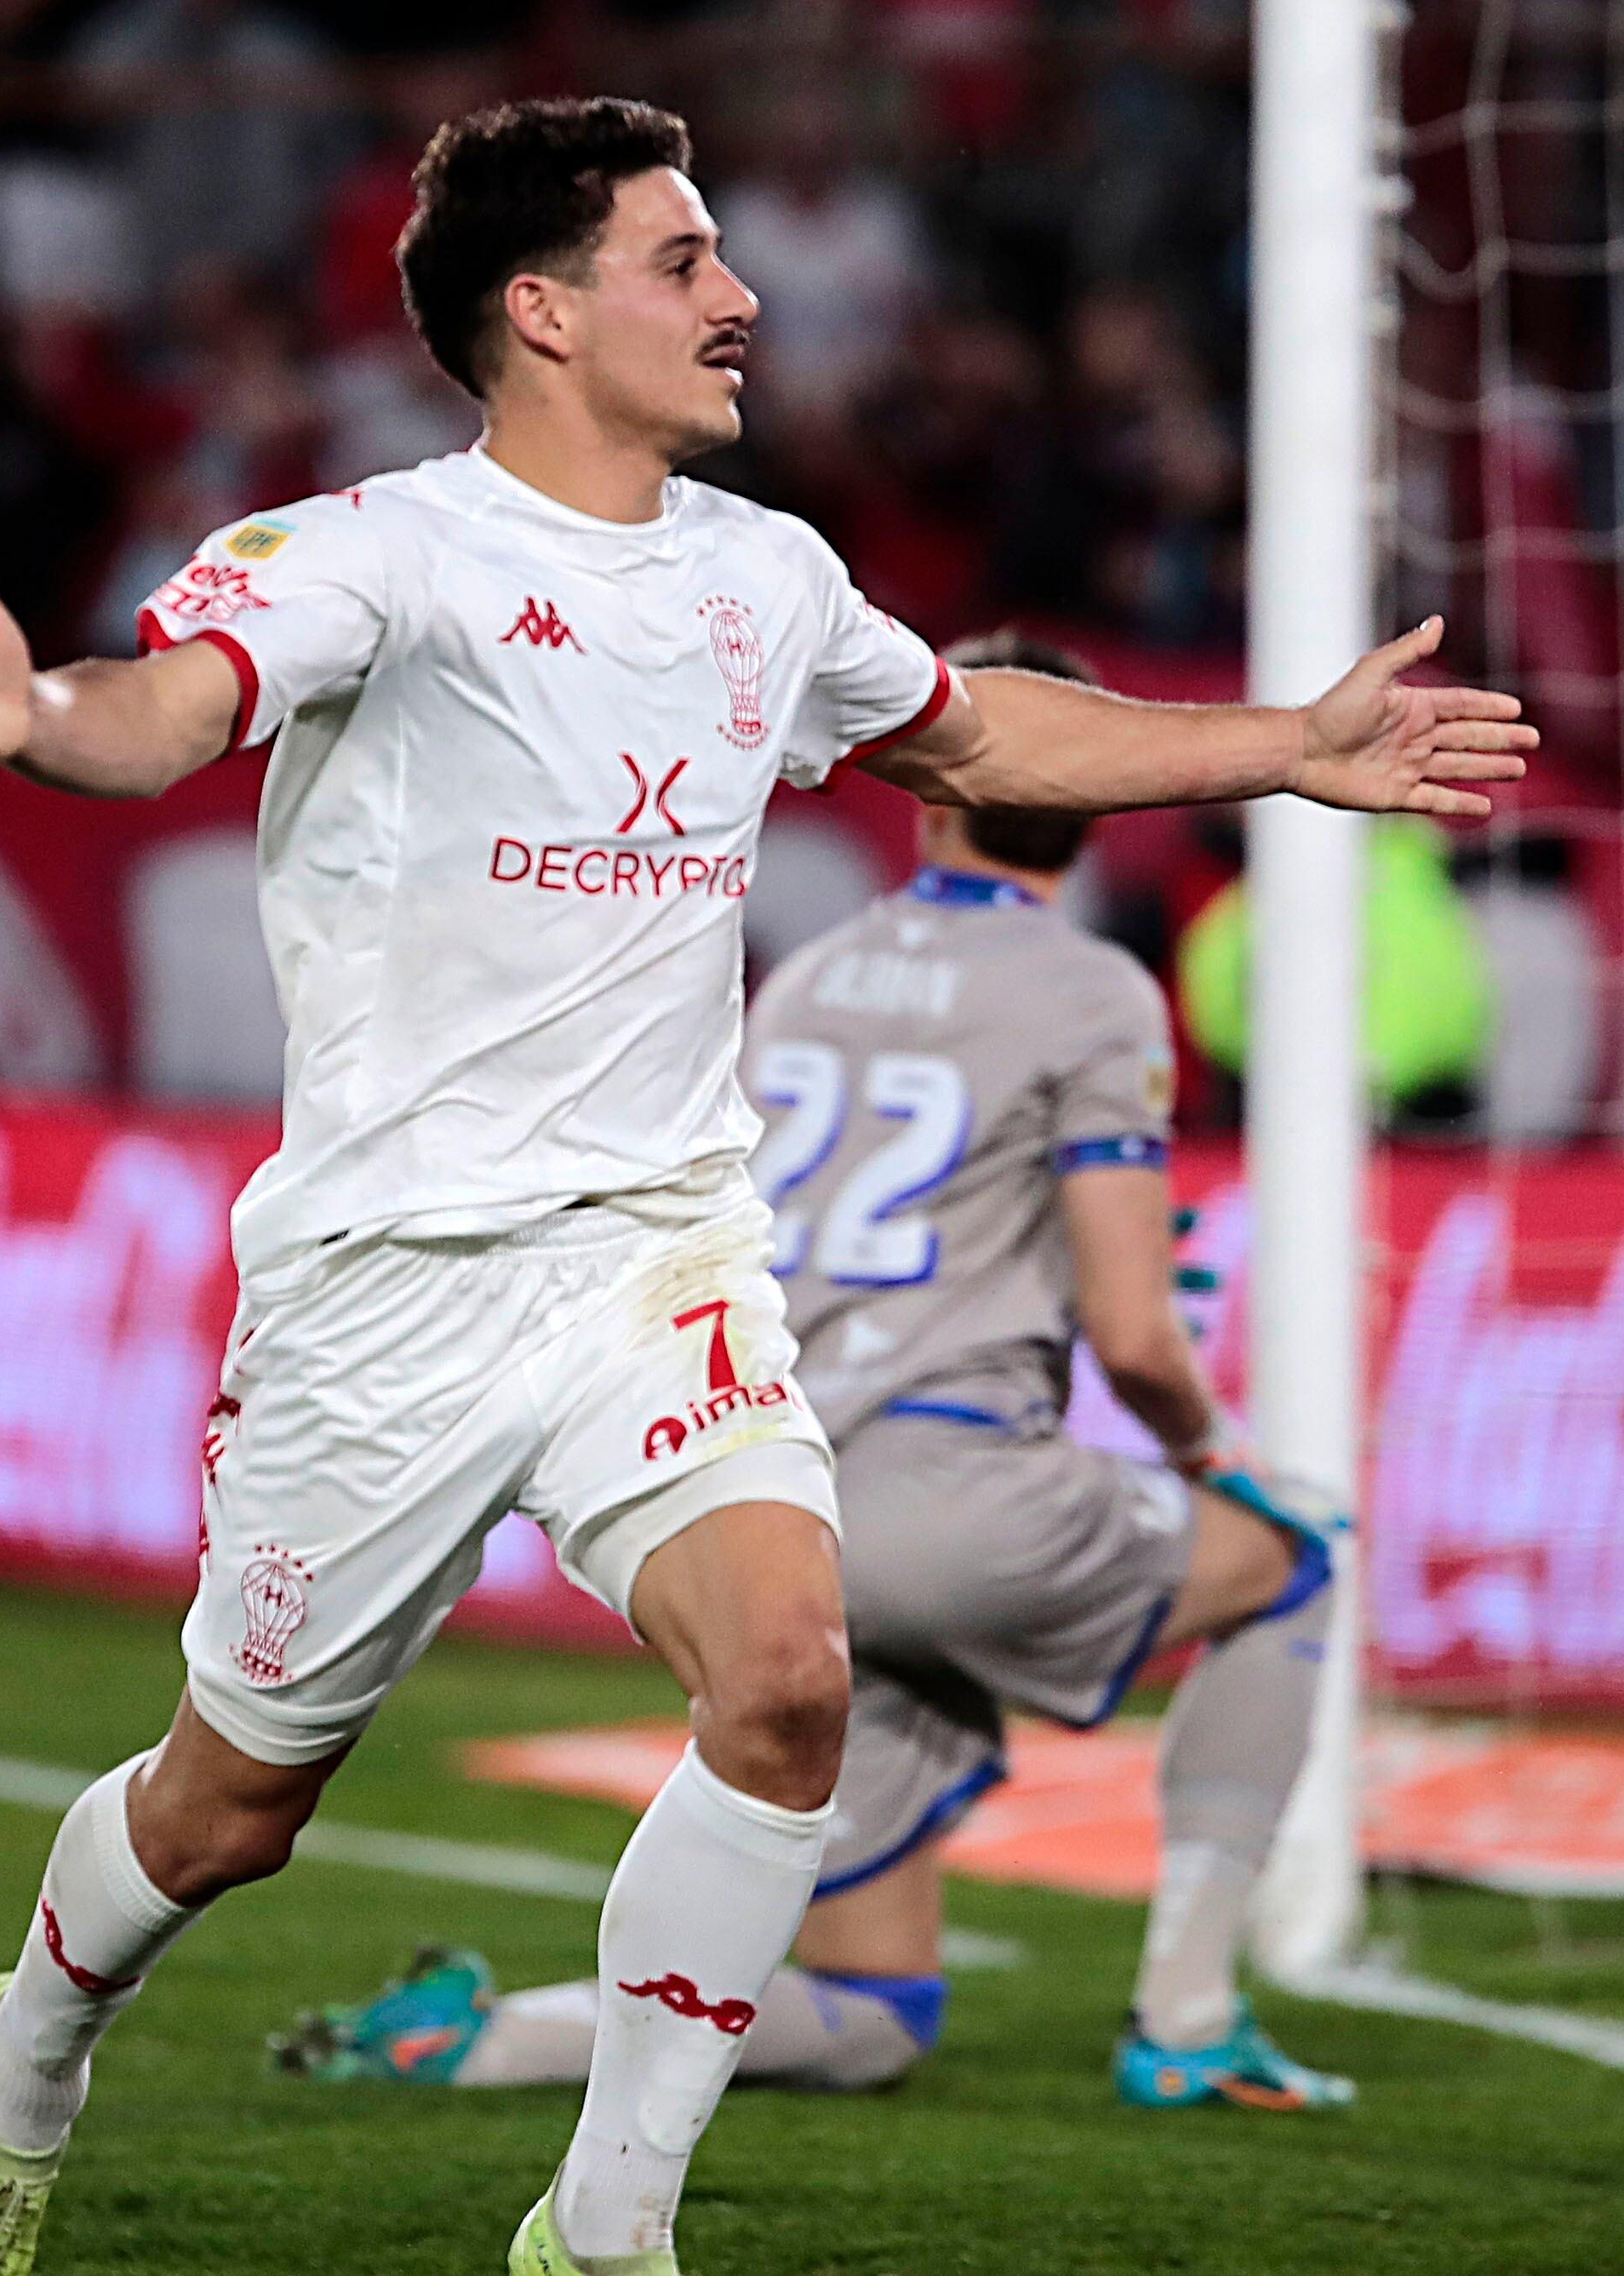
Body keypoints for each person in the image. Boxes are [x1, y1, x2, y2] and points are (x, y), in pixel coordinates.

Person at [0, 96, 1534, 2276]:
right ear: (543, 312)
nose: (740, 297)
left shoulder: (766, 575)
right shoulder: (376, 553)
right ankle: (23, 2069)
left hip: (660, 1255)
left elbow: (978, 734)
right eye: (683, 261)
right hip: (388, 1288)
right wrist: (37, 717)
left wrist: (1288, 749)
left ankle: (606, 2230)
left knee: (788, 1678)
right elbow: (168, 711)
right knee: (229, 1810)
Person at [269, 632, 1353, 2115]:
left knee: (870, 2010)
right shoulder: (1094, 990)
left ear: (927, 789)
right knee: (1293, 1564)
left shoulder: (808, 980)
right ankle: (1190, 2016)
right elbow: (1136, 1335)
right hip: (959, 1492)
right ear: (1092, 795)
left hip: (793, 1514)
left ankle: (485, 2038)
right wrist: (1213, 1457)